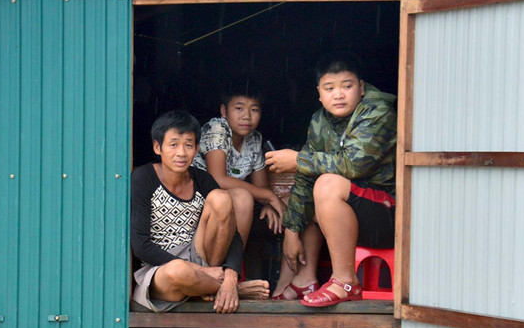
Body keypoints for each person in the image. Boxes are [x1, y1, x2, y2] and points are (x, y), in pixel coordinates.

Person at [264, 54, 396, 307]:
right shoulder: (319, 121)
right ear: (319, 94)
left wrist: (298, 159)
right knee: (304, 193)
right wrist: (291, 234)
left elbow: (353, 165)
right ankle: (305, 278)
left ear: (361, 87)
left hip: (388, 215)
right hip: (353, 211)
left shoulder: (377, 112)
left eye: (347, 86)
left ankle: (345, 282)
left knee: (326, 184)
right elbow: (304, 180)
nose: (339, 94)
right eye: (330, 88)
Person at [131, 110, 270, 313]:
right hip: (162, 269)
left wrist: (230, 273)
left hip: (201, 258)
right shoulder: (144, 178)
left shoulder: (201, 179)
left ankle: (218, 285)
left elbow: (234, 234)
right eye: (173, 144)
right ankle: (233, 290)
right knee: (178, 272)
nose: (181, 152)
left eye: (188, 145)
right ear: (157, 147)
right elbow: (141, 245)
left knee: (222, 198)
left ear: (197, 149)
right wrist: (204, 272)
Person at [192, 89, 286, 238]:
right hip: (199, 198)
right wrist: (269, 196)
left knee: (268, 214)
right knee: (243, 197)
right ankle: (234, 259)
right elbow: (218, 179)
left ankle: (237, 258)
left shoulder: (254, 139)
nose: (247, 116)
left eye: (254, 110)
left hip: (230, 200)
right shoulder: (217, 128)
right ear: (224, 110)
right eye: (239, 108)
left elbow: (261, 187)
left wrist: (268, 202)